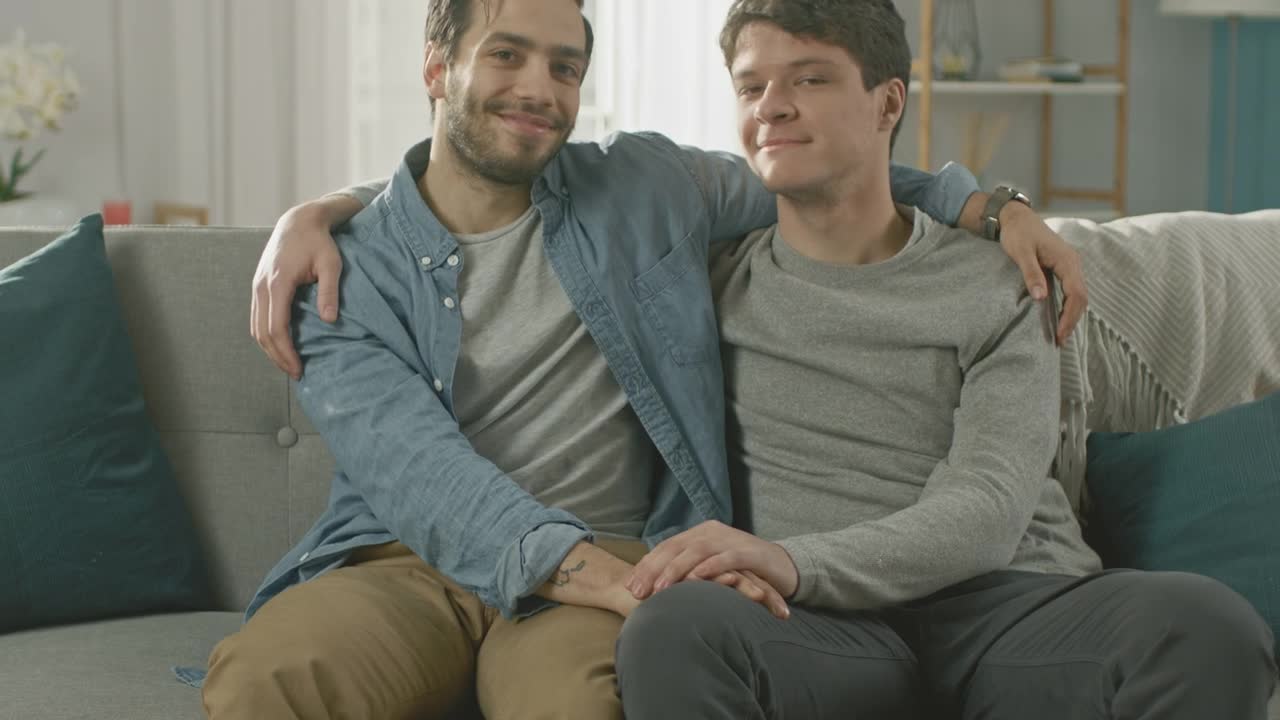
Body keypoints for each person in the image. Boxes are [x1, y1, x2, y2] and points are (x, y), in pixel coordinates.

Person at [216, 0, 1090, 717]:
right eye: (506, 56)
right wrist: (321, 211)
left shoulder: (644, 186)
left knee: (583, 708)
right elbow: (413, 469)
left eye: (563, 68)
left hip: (621, 545)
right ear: (438, 67)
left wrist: (989, 207)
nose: (536, 89)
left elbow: (822, 160)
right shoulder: (345, 266)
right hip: (412, 561)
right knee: (264, 684)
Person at [613, 1, 1279, 718]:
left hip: (1007, 606)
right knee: (673, 629)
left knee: (1206, 627)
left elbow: (989, 508)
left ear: (887, 102)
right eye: (752, 87)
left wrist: (795, 561)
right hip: (818, 624)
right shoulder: (704, 287)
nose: (772, 107)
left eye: (809, 80)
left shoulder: (1004, 278)